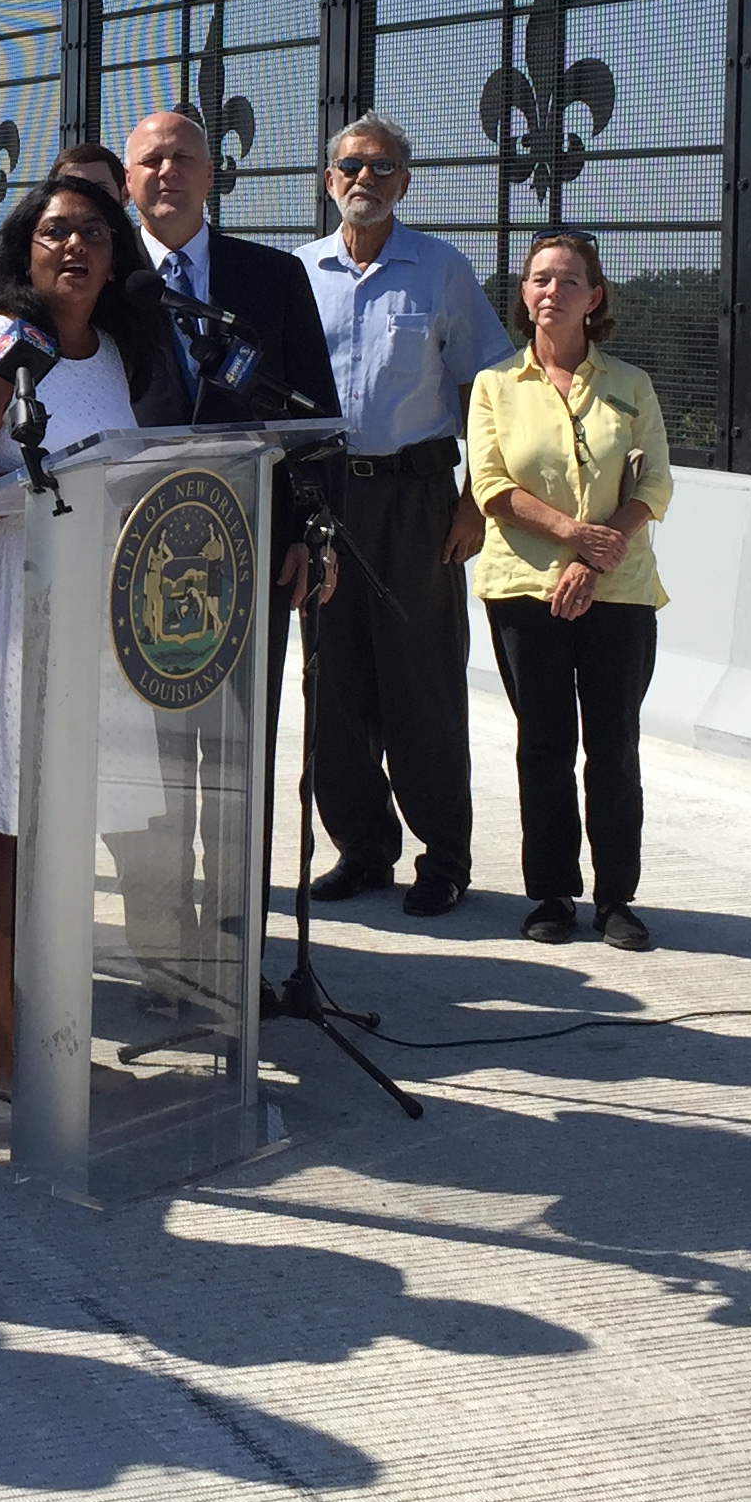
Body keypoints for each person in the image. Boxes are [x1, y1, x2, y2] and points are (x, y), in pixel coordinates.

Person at [0, 173, 169, 1096]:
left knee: (61, 830)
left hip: (86, 616)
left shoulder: (118, 353)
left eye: (94, 231)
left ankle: (47, 1021)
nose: (75, 248)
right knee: (0, 825)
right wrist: (41, 499)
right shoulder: (1, 348)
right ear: (24, 250)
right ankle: (3, 1046)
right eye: (54, 233)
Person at [110, 108, 342, 989]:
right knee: (158, 769)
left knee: (239, 758)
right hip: (133, 565)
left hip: (246, 560)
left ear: (213, 175)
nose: (166, 173)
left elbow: (313, 415)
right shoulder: (104, 274)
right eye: (149, 161)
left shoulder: (270, 278)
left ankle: (240, 946)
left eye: (183, 158)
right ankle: (168, 953)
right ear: (128, 181)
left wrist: (310, 535)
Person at [295, 114, 505, 917]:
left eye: (382, 168)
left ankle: (444, 856)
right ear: (329, 180)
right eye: (350, 165)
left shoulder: (440, 270)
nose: (364, 179)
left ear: (404, 184)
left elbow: (482, 394)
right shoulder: (301, 272)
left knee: (422, 680)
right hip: (324, 496)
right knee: (334, 681)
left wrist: (472, 501)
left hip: (416, 498)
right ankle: (362, 847)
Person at [467, 227, 675, 953]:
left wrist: (594, 555)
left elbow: (654, 484)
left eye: (568, 280)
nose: (552, 292)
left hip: (619, 590)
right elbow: (491, 485)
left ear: (596, 296)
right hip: (524, 588)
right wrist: (571, 536)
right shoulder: (496, 386)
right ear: (524, 296)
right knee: (544, 744)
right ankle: (551, 892)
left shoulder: (631, 385)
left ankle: (617, 896)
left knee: (614, 744)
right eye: (539, 280)